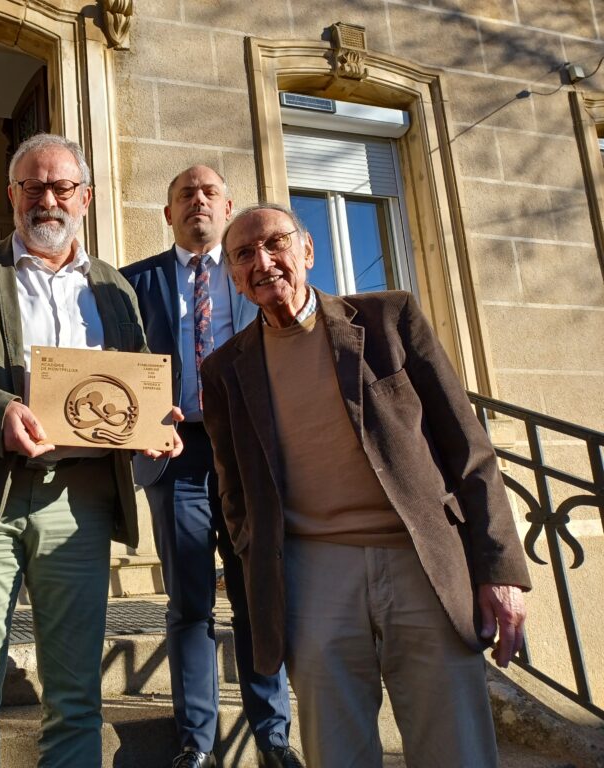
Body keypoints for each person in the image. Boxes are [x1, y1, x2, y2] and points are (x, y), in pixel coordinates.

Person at [200, 202, 532, 767]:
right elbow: (234, 493)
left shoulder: (388, 319)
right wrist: (260, 563)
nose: (263, 261)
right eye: (244, 254)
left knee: (456, 748)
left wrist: (500, 571)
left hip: (421, 560)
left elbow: (469, 448)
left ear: (308, 250)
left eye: (276, 243)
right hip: (313, 573)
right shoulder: (224, 369)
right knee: (338, 751)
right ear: (232, 273)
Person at [0, 132, 180, 768]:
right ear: (11, 195)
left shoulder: (115, 288)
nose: (47, 199)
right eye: (33, 186)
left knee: (77, 697)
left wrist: (155, 423)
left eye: (62, 187)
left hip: (77, 503)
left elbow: (133, 379)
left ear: (85, 197)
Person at [120, 167, 298, 768]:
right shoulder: (130, 283)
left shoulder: (255, 273)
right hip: (175, 455)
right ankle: (197, 741)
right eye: (183, 195)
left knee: (255, 592)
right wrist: (142, 425)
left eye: (209, 193)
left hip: (248, 451)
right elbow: (115, 368)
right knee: (190, 601)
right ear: (168, 214)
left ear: (227, 207)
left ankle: (273, 735)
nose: (197, 202)